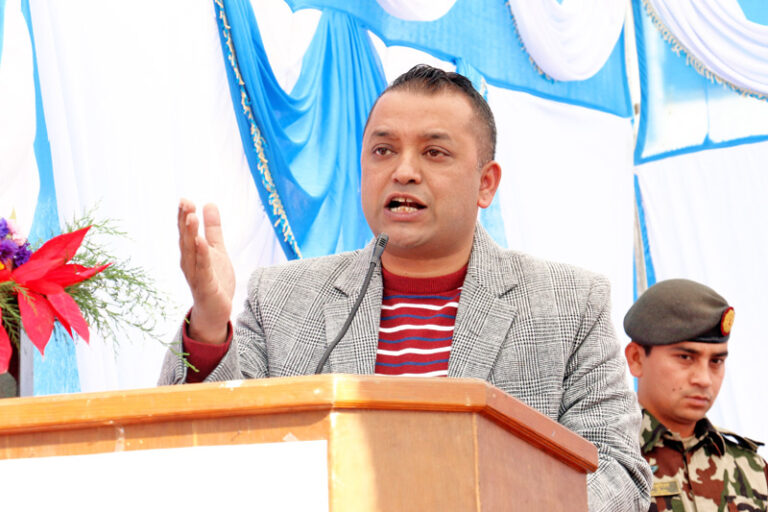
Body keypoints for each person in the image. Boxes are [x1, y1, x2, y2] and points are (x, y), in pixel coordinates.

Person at [160, 65, 651, 511]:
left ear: (486, 183)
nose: (404, 171)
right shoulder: (285, 297)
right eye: (383, 150)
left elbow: (617, 473)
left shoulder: (568, 304)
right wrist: (207, 322)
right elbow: (206, 446)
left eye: (434, 152)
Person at [623, 278, 768, 511]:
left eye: (716, 361)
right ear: (636, 359)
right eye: (685, 357)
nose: (703, 379)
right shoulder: (604, 461)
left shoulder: (751, 468)